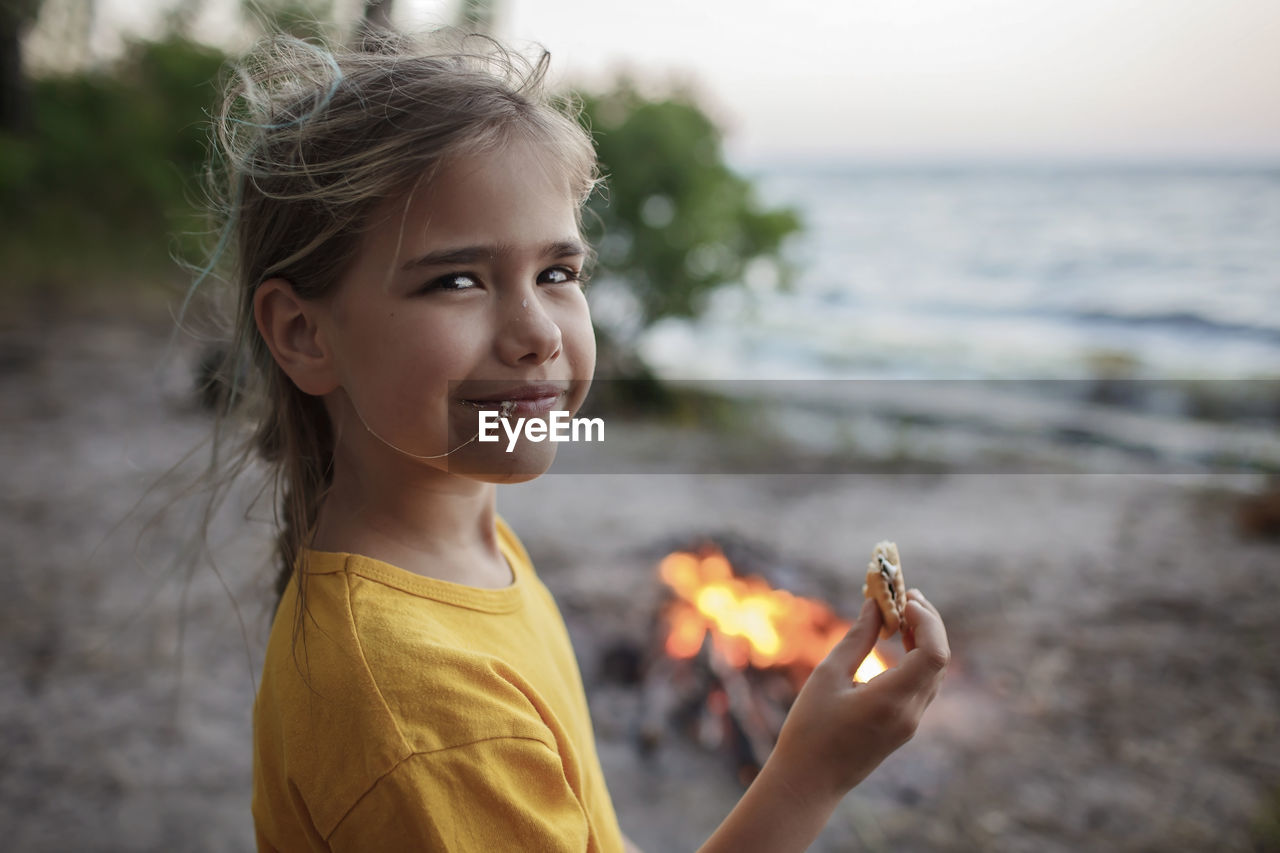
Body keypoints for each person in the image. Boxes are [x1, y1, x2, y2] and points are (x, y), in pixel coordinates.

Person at [197, 29, 949, 853]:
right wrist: (811, 772)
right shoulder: (419, 706)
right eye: (456, 280)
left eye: (558, 273)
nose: (535, 334)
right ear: (304, 333)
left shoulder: (469, 556)